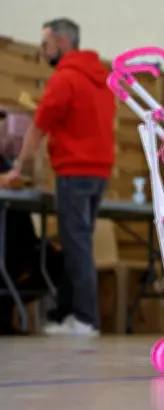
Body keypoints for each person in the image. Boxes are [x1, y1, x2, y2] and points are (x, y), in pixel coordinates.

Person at [0, 18, 115, 337]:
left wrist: (16, 169)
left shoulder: (65, 79)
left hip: (74, 172)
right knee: (78, 242)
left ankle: (85, 319)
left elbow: (38, 128)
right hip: (99, 172)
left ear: (63, 43)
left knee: (76, 246)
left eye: (45, 44)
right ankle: (68, 313)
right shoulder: (100, 80)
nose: (42, 50)